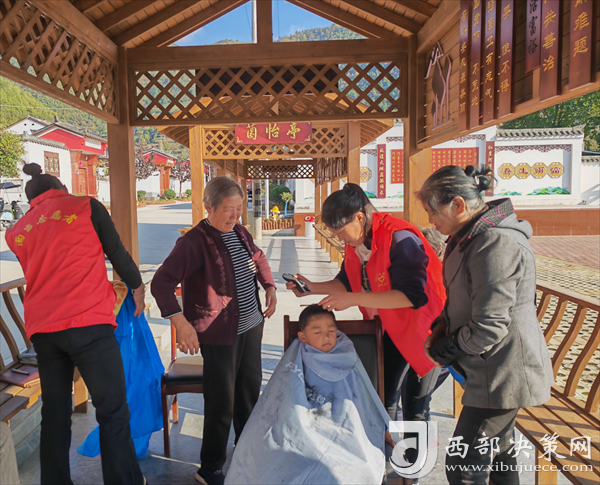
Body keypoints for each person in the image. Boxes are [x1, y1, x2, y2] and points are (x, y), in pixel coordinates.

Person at [6, 163, 146, 485]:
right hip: (88, 324)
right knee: (112, 411)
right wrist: (137, 289)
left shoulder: (16, 231)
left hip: (44, 331)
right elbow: (117, 254)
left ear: (30, 200)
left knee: (55, 414)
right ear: (62, 189)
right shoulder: (86, 206)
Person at [287, 183, 446, 466]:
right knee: (381, 396)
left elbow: (412, 296)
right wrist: (311, 287)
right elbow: (346, 282)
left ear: (359, 218)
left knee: (415, 404)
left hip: (426, 333)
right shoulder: (356, 243)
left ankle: (413, 470)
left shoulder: (400, 238)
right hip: (390, 330)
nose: (338, 238)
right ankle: (381, 464)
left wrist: (352, 299)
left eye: (339, 231)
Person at [418, 165, 553, 485]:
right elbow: (464, 295)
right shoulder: (469, 237)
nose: (431, 220)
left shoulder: (495, 242)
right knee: (501, 458)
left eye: (433, 211)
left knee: (464, 465)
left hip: (504, 371)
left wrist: (449, 347)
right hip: (488, 366)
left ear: (458, 205)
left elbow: (490, 324)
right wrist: (442, 326)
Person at [151, 176, 277, 485]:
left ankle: (246, 452)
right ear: (209, 206)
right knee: (222, 402)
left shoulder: (240, 232)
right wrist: (181, 323)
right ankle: (210, 468)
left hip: (251, 326)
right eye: (228, 209)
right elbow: (161, 283)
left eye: (239, 208)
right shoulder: (193, 242)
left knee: (248, 393)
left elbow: (258, 257)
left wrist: (270, 286)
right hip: (220, 333)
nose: (235, 215)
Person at [225, 305, 392, 485]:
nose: (326, 336)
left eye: (331, 331)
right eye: (317, 332)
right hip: (304, 424)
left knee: (344, 467)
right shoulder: (296, 360)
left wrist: (380, 427)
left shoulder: (346, 358)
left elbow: (362, 397)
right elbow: (284, 395)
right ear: (302, 337)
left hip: (346, 428)